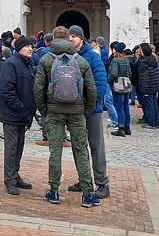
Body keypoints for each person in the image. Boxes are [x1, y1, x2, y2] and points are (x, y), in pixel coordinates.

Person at [34, 25, 98, 208]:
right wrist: (85, 110)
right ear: (68, 39)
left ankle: (54, 191)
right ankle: (87, 194)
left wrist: (44, 111)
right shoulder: (81, 61)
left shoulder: (46, 59)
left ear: (53, 38)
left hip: (54, 112)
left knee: (55, 151)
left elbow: (38, 89)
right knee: (81, 151)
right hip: (77, 112)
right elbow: (91, 90)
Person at [73, 27, 111, 199]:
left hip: (92, 110)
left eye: (74, 36)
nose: (71, 39)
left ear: (81, 38)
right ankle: (84, 180)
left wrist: (92, 105)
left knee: (96, 146)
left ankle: (102, 183)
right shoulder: (69, 57)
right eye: (69, 37)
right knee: (79, 146)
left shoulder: (93, 58)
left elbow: (101, 83)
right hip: (75, 110)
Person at [0, 36, 36, 195]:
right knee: (11, 148)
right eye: (27, 46)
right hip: (13, 114)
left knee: (18, 148)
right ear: (19, 48)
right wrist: (19, 107)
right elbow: (7, 90)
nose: (30, 49)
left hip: (23, 115)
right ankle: (9, 179)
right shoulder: (11, 64)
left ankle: (15, 174)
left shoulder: (28, 65)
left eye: (31, 47)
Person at [107, 42, 132, 136]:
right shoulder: (126, 60)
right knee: (126, 107)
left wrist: (109, 81)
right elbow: (129, 73)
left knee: (119, 107)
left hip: (118, 85)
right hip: (126, 84)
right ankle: (127, 128)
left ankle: (121, 128)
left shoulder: (115, 60)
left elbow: (114, 73)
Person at [94, 38, 120, 128]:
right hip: (118, 83)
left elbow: (111, 70)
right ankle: (119, 120)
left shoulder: (113, 58)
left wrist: (108, 79)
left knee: (109, 101)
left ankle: (115, 121)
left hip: (111, 82)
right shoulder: (120, 58)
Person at [137, 44, 159, 128]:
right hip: (154, 86)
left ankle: (151, 123)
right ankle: (156, 122)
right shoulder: (154, 61)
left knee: (149, 105)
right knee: (154, 105)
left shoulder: (144, 64)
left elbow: (144, 79)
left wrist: (145, 90)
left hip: (148, 87)